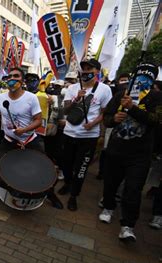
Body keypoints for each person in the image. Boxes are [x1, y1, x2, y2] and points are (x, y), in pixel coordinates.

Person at [0, 68, 63, 209]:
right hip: (9, 141)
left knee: (46, 170)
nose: (12, 79)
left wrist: (24, 130)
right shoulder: (1, 98)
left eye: (16, 76)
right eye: (9, 76)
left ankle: (51, 195)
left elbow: (38, 121)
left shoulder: (31, 98)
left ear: (22, 80)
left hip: (30, 140)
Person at [98, 63, 160, 241]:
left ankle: (127, 225)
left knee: (133, 190)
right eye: (139, 76)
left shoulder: (157, 97)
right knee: (111, 183)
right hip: (116, 150)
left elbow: (156, 120)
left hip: (140, 155)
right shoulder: (120, 94)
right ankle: (108, 207)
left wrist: (133, 108)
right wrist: (114, 119)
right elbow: (107, 118)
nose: (141, 81)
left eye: (147, 78)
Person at [59, 59, 112, 211]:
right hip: (69, 133)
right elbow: (66, 111)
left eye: (90, 69)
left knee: (81, 168)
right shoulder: (73, 87)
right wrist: (77, 98)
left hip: (89, 136)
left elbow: (104, 112)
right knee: (66, 164)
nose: (86, 71)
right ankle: (68, 184)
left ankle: (74, 195)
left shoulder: (104, 89)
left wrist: (93, 124)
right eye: (84, 69)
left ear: (97, 72)